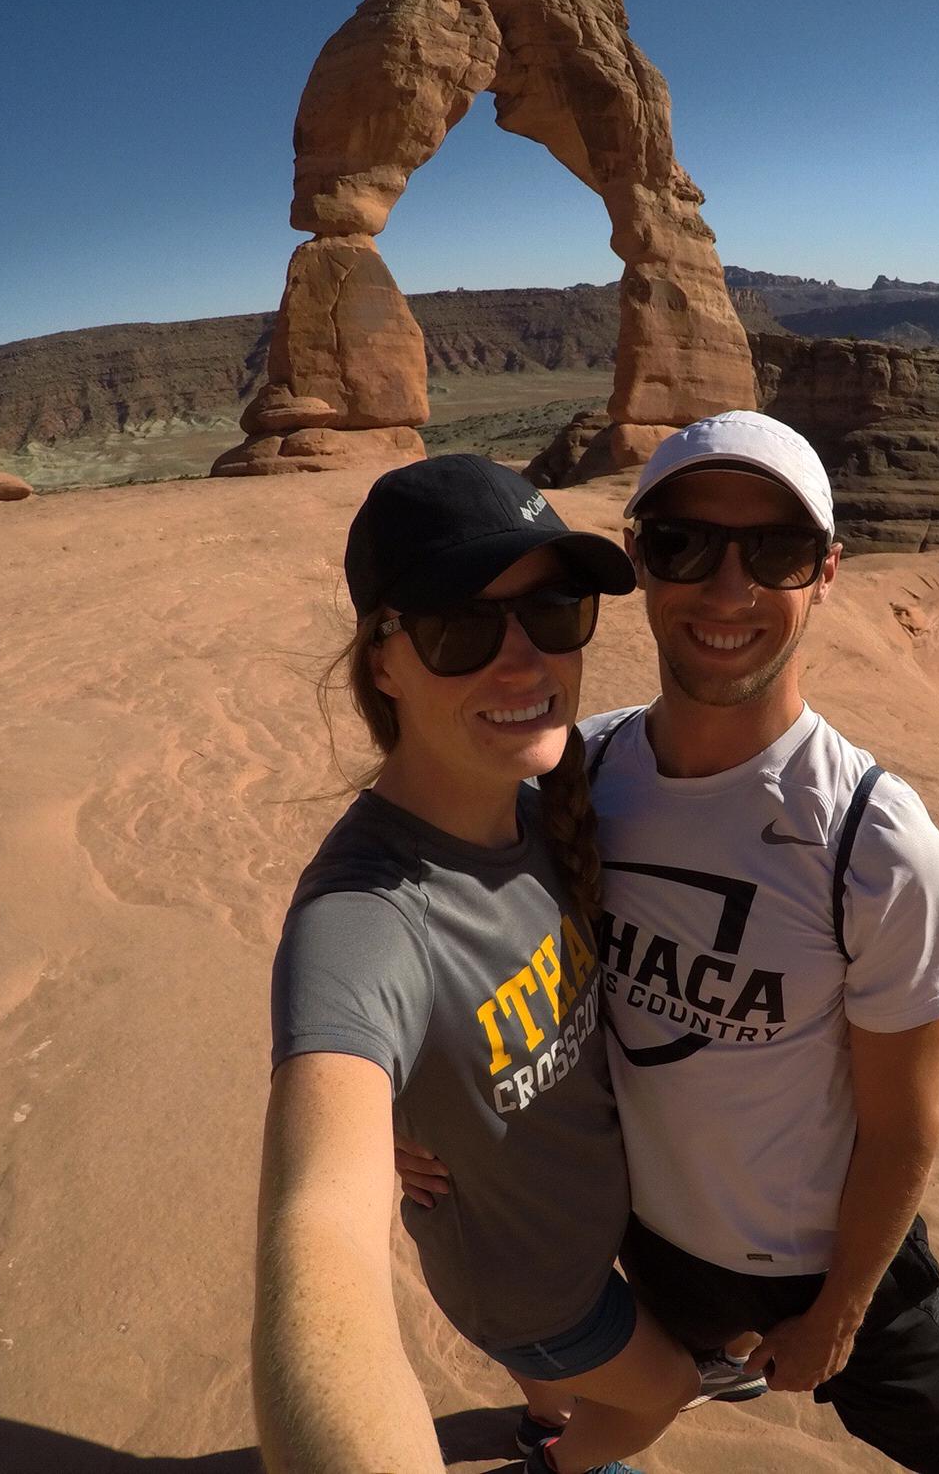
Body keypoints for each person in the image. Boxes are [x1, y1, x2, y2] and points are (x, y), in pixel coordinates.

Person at [403, 412, 939, 1473]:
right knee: (624, 1394)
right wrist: (399, 1105)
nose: (727, 590)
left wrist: (842, 1314)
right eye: (682, 545)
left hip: (825, 1261)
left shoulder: (876, 845)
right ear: (637, 560)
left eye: (774, 551)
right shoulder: (575, 769)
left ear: (825, 576)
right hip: (649, 1240)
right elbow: (434, 924)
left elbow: (902, 1129)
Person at [253, 454, 698, 1474]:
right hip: (530, 1286)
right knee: (661, 1388)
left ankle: (544, 1420)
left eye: (551, 613)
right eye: (462, 627)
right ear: (383, 660)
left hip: (556, 1241)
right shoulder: (367, 914)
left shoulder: (546, 806)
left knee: (550, 1384)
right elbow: (320, 1231)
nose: (522, 664)